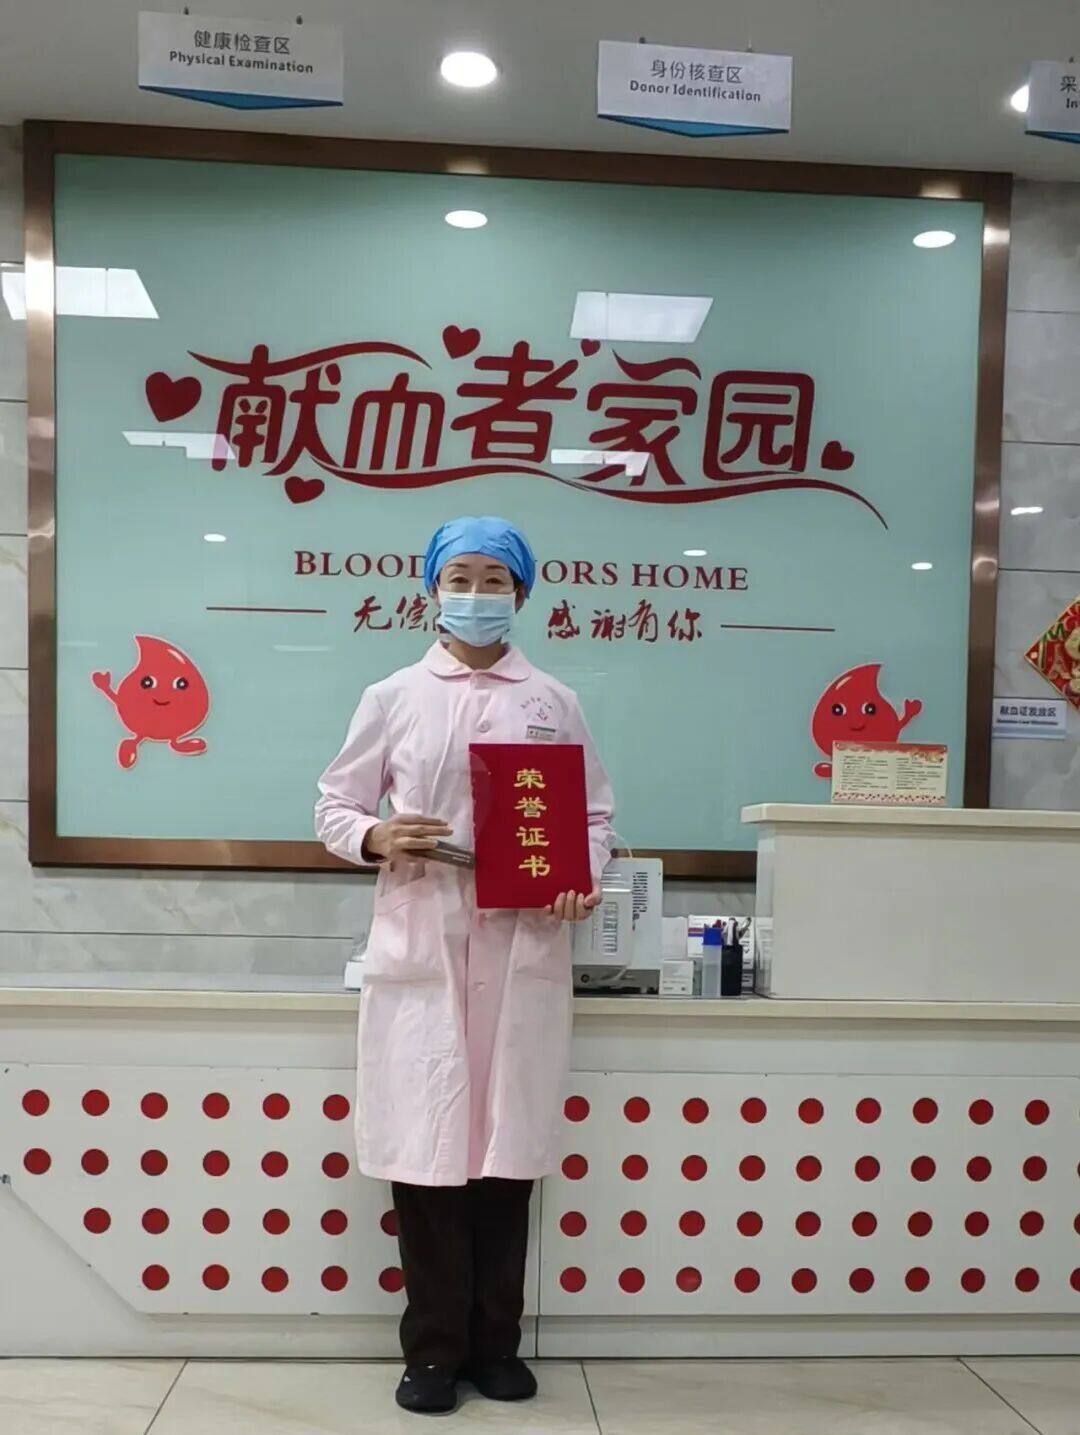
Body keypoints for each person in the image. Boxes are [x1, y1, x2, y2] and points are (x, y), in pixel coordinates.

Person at [315, 515, 615, 1416]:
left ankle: (495, 1345)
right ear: (432, 589)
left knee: (504, 1157)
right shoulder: (393, 695)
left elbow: (593, 817)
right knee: (428, 1158)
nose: (476, 594)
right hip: (426, 939)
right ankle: (432, 1352)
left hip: (523, 944)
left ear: (520, 593)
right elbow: (334, 806)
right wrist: (377, 835)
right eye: (461, 577)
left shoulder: (553, 700)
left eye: (494, 579)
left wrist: (582, 878)